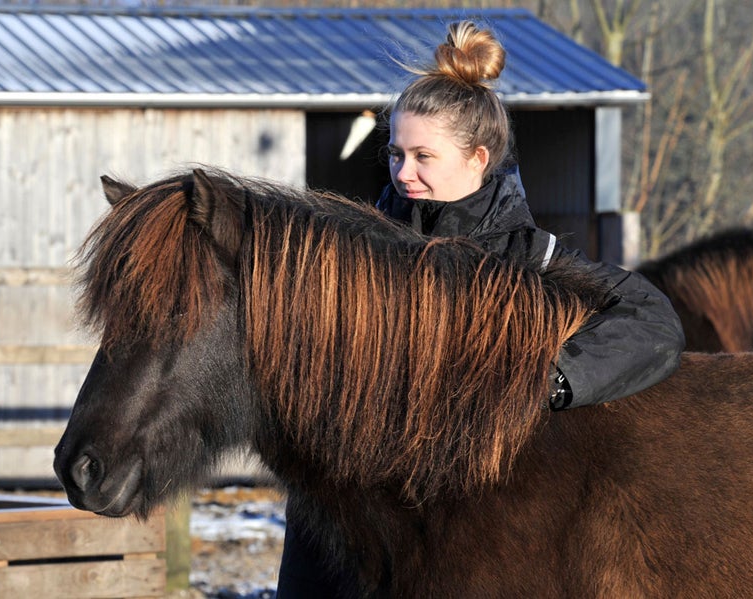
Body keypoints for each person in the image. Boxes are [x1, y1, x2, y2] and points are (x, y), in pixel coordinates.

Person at [276, 20, 685, 597]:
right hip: (346, 534)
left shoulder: (532, 261)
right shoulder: (354, 251)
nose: (403, 172)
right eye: (396, 153)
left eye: (423, 155)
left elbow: (653, 322)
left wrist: (548, 382)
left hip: (477, 542)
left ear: (478, 158)